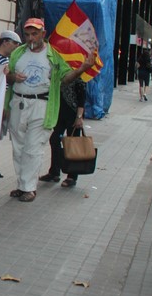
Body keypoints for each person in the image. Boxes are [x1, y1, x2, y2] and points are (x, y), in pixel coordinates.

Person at [5, 18, 97, 203]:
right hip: (18, 103)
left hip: (41, 105)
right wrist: (13, 76)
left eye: (35, 33)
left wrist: (83, 68)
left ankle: (29, 188)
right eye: (28, 34)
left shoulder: (53, 56)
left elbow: (66, 78)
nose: (31, 38)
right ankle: (22, 184)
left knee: (33, 147)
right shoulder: (17, 53)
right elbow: (8, 77)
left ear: (43, 34)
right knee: (19, 148)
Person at [39, 78, 87, 188]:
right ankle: (54, 172)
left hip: (73, 114)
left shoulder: (79, 75)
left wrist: (79, 117)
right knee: (54, 140)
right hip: (59, 113)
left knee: (73, 145)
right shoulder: (59, 72)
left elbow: (82, 97)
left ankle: (72, 176)